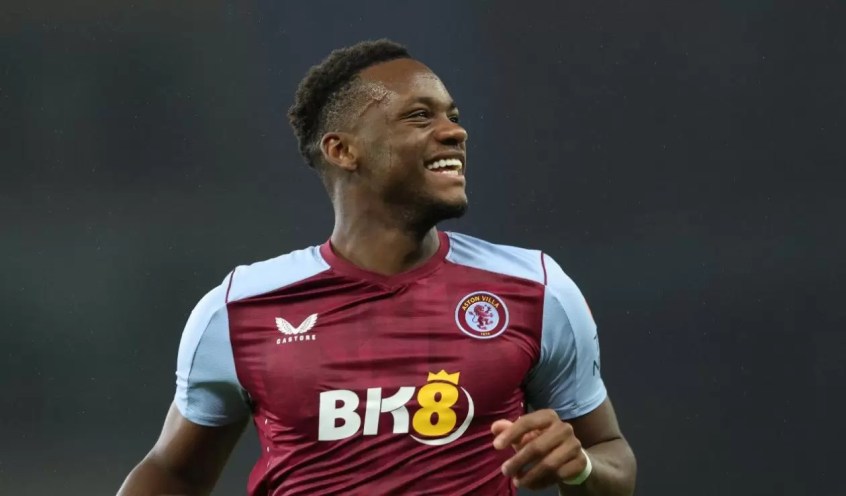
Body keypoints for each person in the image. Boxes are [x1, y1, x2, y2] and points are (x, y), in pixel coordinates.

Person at [117, 39, 636, 496]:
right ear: (343, 150)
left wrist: (582, 469)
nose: (454, 132)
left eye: (453, 116)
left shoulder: (535, 290)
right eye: (419, 116)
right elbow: (173, 474)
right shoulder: (240, 310)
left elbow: (610, 455)